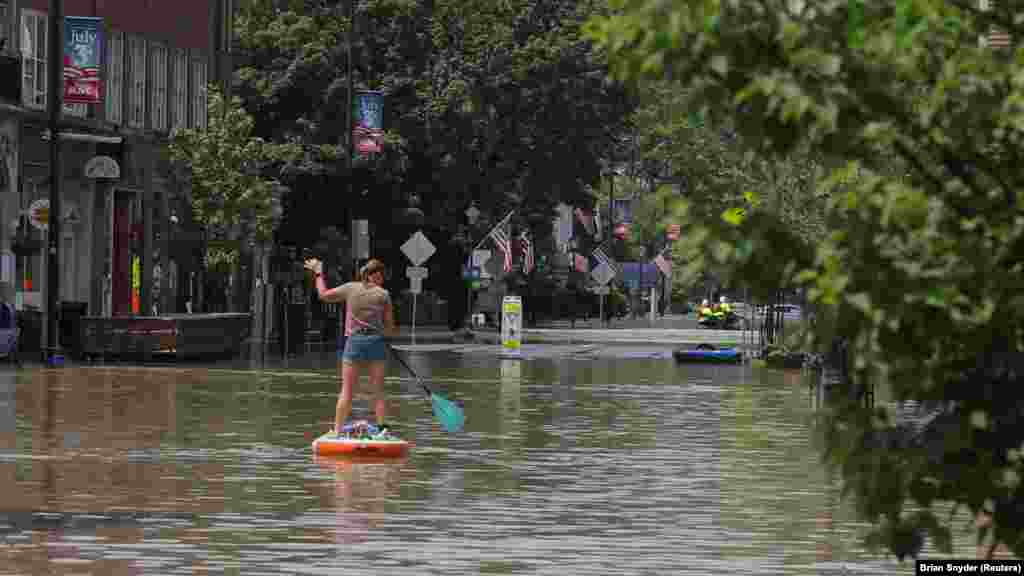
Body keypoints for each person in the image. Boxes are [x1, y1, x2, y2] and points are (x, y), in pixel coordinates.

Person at [304, 257, 397, 438]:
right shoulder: (384, 294)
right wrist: (386, 337)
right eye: (382, 275)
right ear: (376, 275)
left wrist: (318, 274)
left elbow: (323, 295)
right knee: (377, 391)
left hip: (354, 342)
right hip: (376, 343)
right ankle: (382, 430)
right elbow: (390, 327)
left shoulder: (350, 288)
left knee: (347, 391)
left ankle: (337, 431)